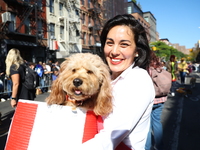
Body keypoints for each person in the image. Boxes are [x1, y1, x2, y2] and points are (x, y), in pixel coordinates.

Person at [76, 14, 155, 150]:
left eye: (124, 44)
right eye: (110, 43)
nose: (114, 51)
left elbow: (111, 136)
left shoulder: (138, 80)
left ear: (137, 51)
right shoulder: (107, 78)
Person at [145, 52, 167, 150]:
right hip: (161, 98)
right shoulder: (160, 68)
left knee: (147, 126)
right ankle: (160, 146)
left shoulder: (145, 69)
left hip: (149, 101)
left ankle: (147, 147)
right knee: (157, 122)